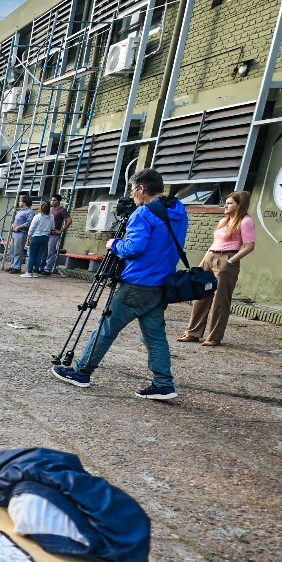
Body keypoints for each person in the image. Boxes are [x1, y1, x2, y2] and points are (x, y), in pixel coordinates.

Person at [51, 168, 187, 400]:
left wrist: (114, 244)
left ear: (142, 189)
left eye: (134, 190)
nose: (133, 195)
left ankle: (82, 372)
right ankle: (163, 384)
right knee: (154, 336)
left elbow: (134, 248)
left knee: (106, 328)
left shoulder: (143, 214)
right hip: (162, 283)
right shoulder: (179, 210)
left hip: (137, 283)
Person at [180, 190, 255, 346]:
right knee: (201, 295)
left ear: (239, 205)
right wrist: (202, 264)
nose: (225, 206)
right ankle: (193, 333)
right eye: (226, 202)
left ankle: (214, 337)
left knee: (220, 300)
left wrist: (230, 262)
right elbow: (214, 243)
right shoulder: (224, 221)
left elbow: (249, 246)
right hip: (210, 257)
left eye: (230, 203)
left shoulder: (245, 221)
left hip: (226, 259)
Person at [23, 202, 54, 277]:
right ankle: (36, 272)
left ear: (41, 208)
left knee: (32, 255)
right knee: (39, 255)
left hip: (36, 236)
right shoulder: (52, 217)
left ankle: (29, 272)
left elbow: (32, 228)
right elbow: (52, 227)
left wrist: (28, 238)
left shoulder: (38, 216)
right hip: (45, 237)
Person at [6, 195, 34, 273]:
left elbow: (29, 223)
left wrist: (18, 227)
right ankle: (13, 265)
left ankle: (17, 267)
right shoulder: (21, 211)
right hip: (15, 233)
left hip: (21, 232)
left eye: (20, 201)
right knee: (12, 250)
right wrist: (13, 225)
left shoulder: (30, 211)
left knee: (18, 250)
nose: (19, 202)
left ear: (25, 202)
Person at [44, 194, 71, 274]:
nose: (52, 201)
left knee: (50, 251)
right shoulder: (51, 209)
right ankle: (42, 267)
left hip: (54, 234)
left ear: (59, 201)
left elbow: (69, 221)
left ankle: (48, 269)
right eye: (51, 200)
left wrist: (61, 230)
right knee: (44, 251)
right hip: (46, 233)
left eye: (54, 200)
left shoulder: (62, 210)